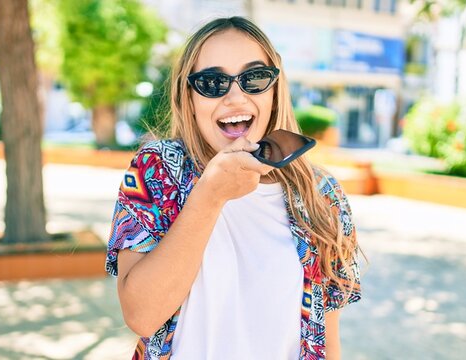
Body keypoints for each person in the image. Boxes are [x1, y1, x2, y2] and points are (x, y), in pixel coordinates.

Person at [106, 16, 364, 360]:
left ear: (275, 89)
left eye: (254, 78)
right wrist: (211, 195)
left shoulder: (322, 194)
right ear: (189, 96)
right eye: (212, 82)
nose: (235, 96)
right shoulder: (158, 170)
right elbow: (141, 316)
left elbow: (327, 339)